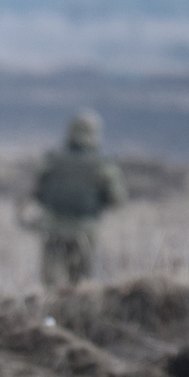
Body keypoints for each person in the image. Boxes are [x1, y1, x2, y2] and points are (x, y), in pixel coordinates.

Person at [30, 109, 127, 288]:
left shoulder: (53, 161)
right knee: (80, 286)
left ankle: (51, 313)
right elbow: (117, 199)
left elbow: (36, 191)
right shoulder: (102, 165)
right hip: (85, 231)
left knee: (51, 285)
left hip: (53, 228)